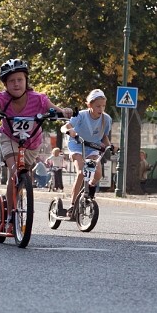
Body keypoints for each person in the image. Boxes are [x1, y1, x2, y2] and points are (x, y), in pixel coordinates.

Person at [0, 58, 73, 232]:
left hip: (31, 142)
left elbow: (56, 110)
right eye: (11, 81)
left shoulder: (38, 99)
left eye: (20, 79)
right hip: (10, 139)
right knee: (14, 171)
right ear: (5, 84)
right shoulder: (3, 98)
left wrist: (64, 111)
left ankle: (20, 197)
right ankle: (11, 216)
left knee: (24, 175)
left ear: (26, 80)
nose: (16, 84)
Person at [61, 89, 112, 219]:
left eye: (103, 106)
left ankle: (89, 190)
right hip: (77, 144)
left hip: (92, 147)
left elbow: (104, 137)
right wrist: (70, 131)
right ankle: (72, 205)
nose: (101, 109)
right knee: (81, 173)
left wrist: (110, 146)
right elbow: (65, 127)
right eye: (98, 106)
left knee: (98, 173)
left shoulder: (106, 119)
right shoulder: (81, 115)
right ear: (89, 105)